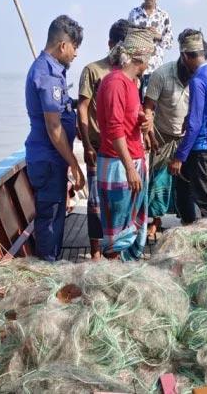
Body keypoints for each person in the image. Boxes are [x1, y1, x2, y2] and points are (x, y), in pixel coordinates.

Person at [24, 15, 85, 262]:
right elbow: (53, 126)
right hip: (48, 158)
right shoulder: (47, 74)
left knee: (56, 211)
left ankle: (53, 260)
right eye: (75, 47)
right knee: (50, 215)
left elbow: (61, 108)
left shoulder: (53, 71)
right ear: (63, 45)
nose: (76, 54)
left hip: (51, 158)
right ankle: (48, 267)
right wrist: (73, 163)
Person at [96, 28, 156, 261]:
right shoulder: (115, 82)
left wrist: (144, 118)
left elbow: (131, 115)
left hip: (135, 159)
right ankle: (111, 276)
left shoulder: (133, 83)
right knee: (117, 230)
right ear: (140, 56)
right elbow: (114, 129)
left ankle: (127, 272)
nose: (150, 61)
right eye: (149, 56)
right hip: (117, 165)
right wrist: (130, 168)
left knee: (133, 222)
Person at [78, 19, 131, 261]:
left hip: (120, 151)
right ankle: (96, 251)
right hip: (98, 148)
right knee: (95, 202)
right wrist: (87, 145)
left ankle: (115, 249)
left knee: (118, 203)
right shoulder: (93, 70)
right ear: (110, 44)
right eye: (118, 45)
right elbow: (82, 108)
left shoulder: (129, 74)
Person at [169, 30, 207, 224]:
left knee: (204, 200)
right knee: (182, 187)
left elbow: (195, 125)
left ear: (185, 56)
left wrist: (179, 156)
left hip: (200, 150)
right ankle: (189, 227)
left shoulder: (197, 80)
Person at [143, 30, 197, 237]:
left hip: (187, 139)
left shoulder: (199, 75)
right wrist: (149, 134)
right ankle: (155, 222)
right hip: (162, 136)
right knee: (158, 182)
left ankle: (187, 221)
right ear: (183, 57)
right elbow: (148, 107)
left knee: (186, 182)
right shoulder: (161, 74)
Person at [128, 0, 174, 100]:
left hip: (155, 68)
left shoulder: (163, 16)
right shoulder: (134, 13)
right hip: (136, 66)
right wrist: (143, 32)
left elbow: (170, 42)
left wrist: (158, 36)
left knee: (152, 104)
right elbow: (127, 36)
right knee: (135, 102)